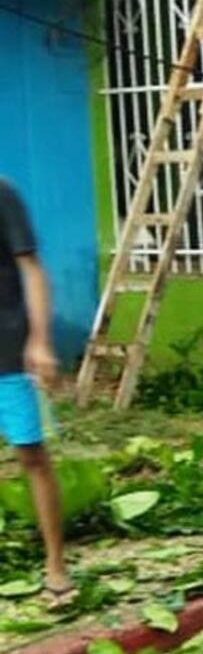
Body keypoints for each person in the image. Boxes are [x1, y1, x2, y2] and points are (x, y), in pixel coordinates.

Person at [0, 178, 71, 603]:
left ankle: (56, 565)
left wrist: (40, 340)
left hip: (7, 346)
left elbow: (32, 270)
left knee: (31, 453)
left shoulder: (3, 194)